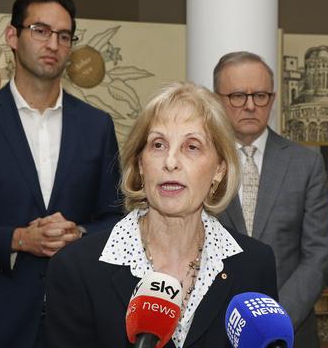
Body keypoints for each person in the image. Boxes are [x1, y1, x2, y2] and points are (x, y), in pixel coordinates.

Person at [0, 0, 123, 348]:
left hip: (79, 320)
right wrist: (19, 239)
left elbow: (117, 219)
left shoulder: (97, 125)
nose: (53, 44)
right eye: (41, 30)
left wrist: (78, 234)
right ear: (12, 36)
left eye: (64, 36)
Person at [43, 82, 278, 348]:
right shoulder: (76, 268)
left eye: (192, 147)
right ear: (140, 164)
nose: (170, 161)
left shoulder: (254, 265)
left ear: (219, 170)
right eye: (158, 145)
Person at [214, 51, 328, 347]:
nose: (251, 105)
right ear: (217, 100)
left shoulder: (306, 164)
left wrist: (274, 320)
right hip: (213, 327)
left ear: (274, 98)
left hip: (288, 329)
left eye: (261, 95)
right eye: (238, 96)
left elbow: (318, 255)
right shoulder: (201, 161)